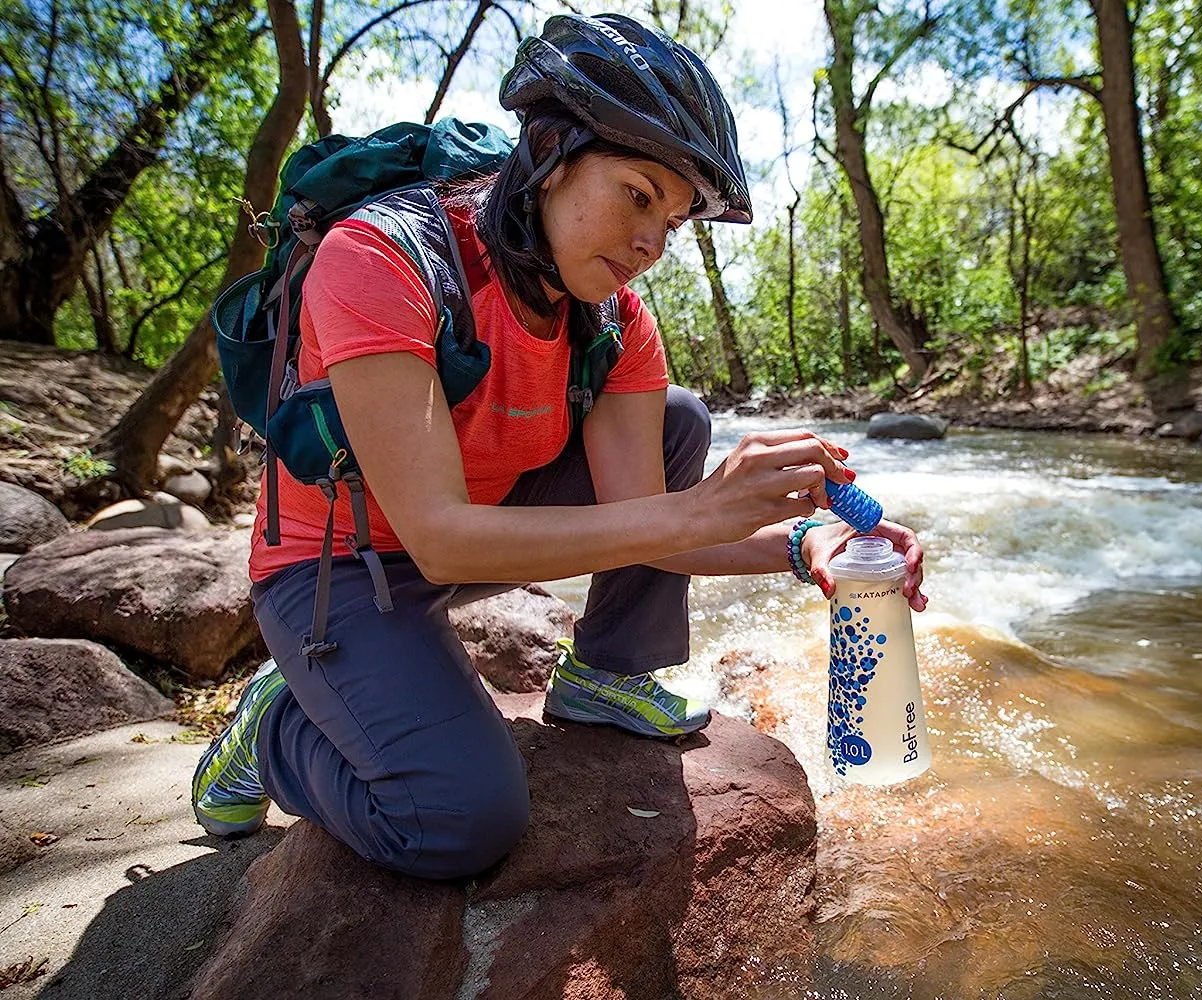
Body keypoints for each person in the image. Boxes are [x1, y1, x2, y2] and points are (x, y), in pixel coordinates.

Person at [191, 12, 927, 881]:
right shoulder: (382, 258)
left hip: (483, 530)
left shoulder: (616, 321)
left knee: (676, 419)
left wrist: (809, 544)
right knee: (457, 823)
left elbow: (655, 525)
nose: (653, 242)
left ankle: (607, 674)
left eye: (677, 219)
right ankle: (271, 727)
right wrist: (701, 504)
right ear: (547, 154)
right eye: (639, 194)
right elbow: (439, 534)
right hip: (341, 568)